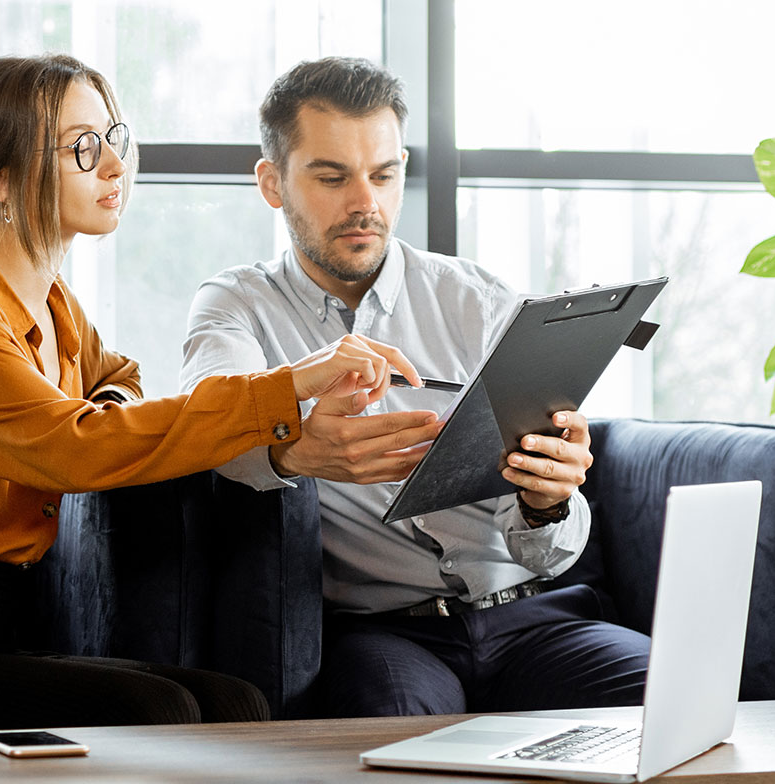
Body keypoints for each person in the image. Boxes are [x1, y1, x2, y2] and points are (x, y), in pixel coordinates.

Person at [0, 52, 423, 736]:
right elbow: (69, 448)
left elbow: (119, 381)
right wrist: (285, 389)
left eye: (115, 138)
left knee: (235, 705)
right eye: (83, 147)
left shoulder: (54, 304)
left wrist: (99, 414)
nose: (114, 166)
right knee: (160, 712)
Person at [180, 56, 651, 717]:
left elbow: (553, 545)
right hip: (385, 635)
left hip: (536, 618)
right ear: (272, 183)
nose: (365, 203)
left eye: (384, 174)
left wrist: (550, 501)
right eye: (332, 176)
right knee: (397, 736)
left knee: (679, 703)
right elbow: (206, 421)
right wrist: (293, 448)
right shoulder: (236, 306)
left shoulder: (479, 301)